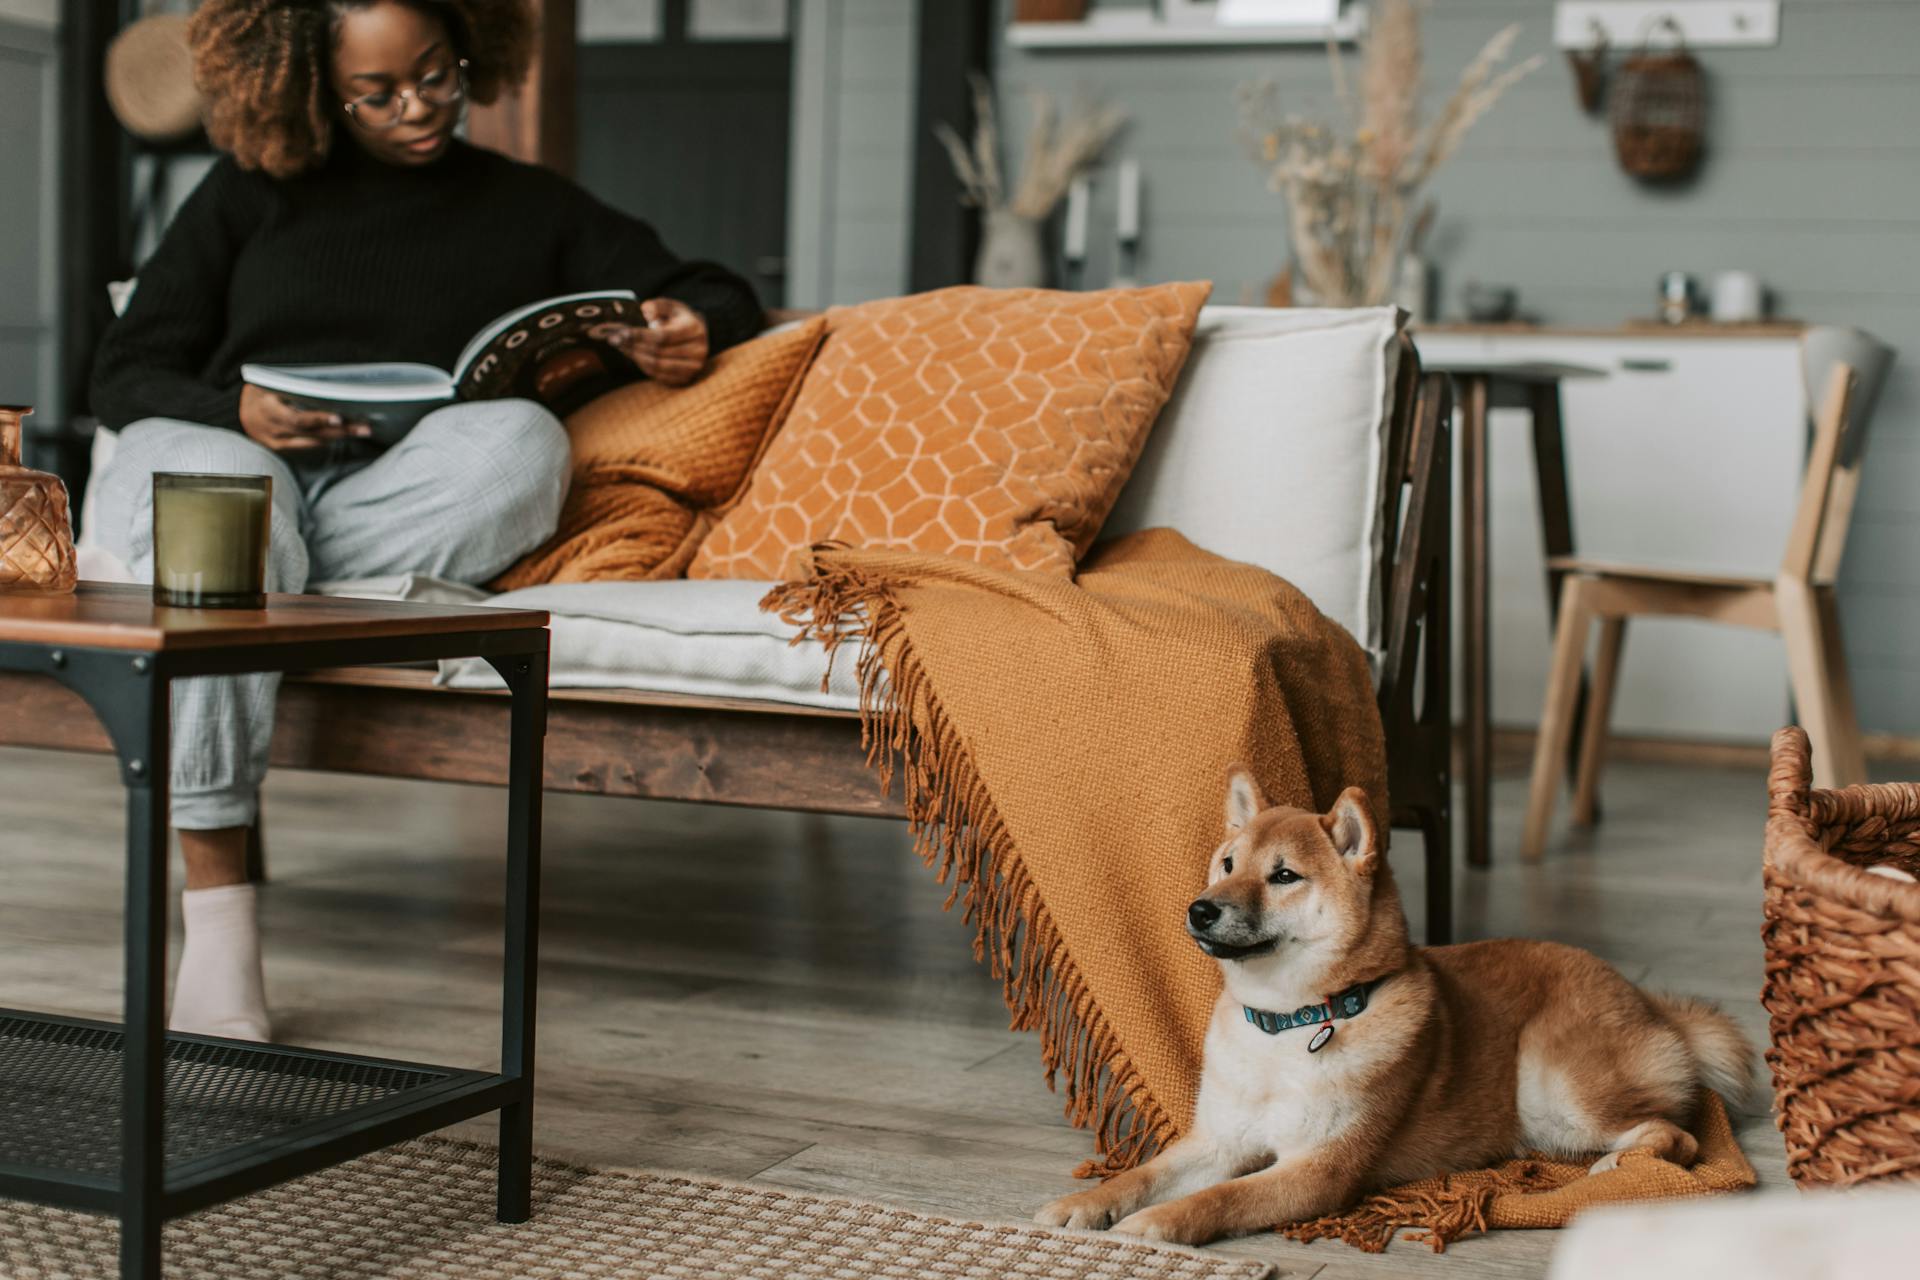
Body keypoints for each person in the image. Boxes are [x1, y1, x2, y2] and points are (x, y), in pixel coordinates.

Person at [89, 0, 762, 1042]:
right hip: (218, 456)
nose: (420, 107)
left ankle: (273, 577)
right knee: (233, 507)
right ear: (314, 85)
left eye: (438, 75)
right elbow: (125, 370)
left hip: (379, 499)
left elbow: (708, 285)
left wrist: (689, 325)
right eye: (380, 91)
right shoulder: (248, 191)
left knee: (521, 444)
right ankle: (219, 921)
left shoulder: (523, 204)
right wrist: (239, 410)